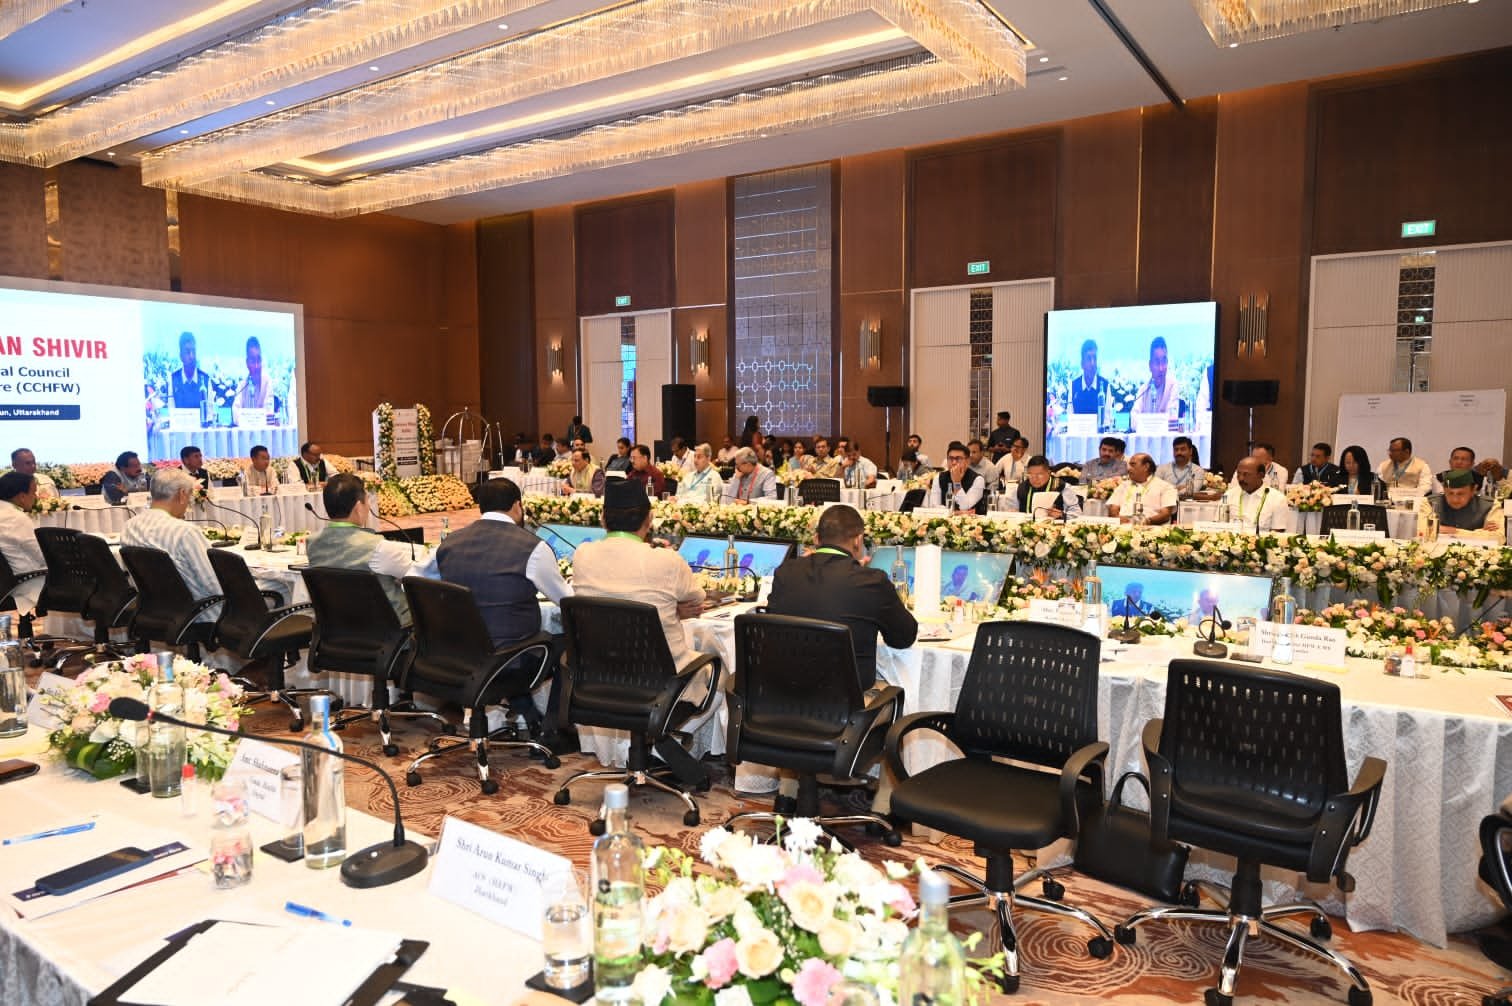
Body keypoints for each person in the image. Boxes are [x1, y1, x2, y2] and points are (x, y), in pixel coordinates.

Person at [765, 504, 916, 688]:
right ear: (858, 540)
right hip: (846, 697)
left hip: (782, 690)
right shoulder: (871, 581)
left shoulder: (785, 572)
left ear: (816, 539)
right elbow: (903, 638)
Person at [571, 479, 706, 673]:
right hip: (663, 678)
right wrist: (674, 610)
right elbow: (697, 600)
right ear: (649, 520)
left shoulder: (582, 554)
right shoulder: (667, 560)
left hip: (600, 673)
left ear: (602, 519)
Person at [437, 478, 572, 648]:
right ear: (517, 506)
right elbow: (566, 601)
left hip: (458, 650)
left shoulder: (449, 543)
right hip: (514, 654)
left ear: (481, 507)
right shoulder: (533, 547)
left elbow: (415, 579)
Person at [305, 473, 432, 624]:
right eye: (367, 501)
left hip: (339, 627)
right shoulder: (378, 548)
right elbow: (420, 575)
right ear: (359, 507)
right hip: (391, 629)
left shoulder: (312, 543)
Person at [119, 469, 222, 623]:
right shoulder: (185, 532)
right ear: (182, 494)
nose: (188, 504)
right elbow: (212, 584)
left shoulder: (129, 527)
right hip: (200, 615)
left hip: (153, 612)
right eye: (189, 496)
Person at [0, 472, 45, 611]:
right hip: (28, 582)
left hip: (6, 582)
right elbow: (41, 556)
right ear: (21, 496)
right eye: (33, 492)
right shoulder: (16, 518)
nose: (36, 497)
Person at [1423, 469, 1503, 540]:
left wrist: (1452, 531)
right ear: (1444, 489)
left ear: (1473, 490)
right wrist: (1480, 532)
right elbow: (1421, 531)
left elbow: (1498, 538)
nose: (1455, 499)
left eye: (1460, 494)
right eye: (1450, 493)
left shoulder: (1491, 505)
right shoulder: (1429, 503)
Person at [1107, 453, 1177, 525]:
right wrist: (1118, 518)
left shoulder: (1166, 487)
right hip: (1122, 527)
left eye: (1133, 464)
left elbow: (1165, 515)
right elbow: (1113, 509)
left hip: (1151, 528)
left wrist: (1147, 522)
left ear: (1146, 467)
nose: (1128, 468)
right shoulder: (1123, 485)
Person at [1222, 457, 1288, 533]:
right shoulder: (1228, 495)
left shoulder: (1277, 499)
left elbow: (1277, 532)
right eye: (1238, 474)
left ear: (1261, 475)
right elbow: (1219, 525)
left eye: (1246, 474)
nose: (1241, 479)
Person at [925, 442, 987, 515]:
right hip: (943, 520)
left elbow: (964, 506)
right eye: (951, 458)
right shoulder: (939, 477)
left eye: (958, 458)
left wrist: (957, 483)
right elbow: (934, 506)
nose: (954, 462)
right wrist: (954, 512)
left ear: (967, 461)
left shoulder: (978, 480)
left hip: (970, 521)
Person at [1016, 455, 1082, 519]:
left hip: (1054, 525)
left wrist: (1061, 514)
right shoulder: (1022, 487)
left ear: (1049, 472)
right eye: (1030, 474)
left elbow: (1077, 513)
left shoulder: (1062, 486)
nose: (1034, 479)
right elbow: (1013, 511)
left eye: (1039, 474)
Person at [1132, 337, 1178, 417]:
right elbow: (1133, 417)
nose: (1161, 368)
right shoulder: (1143, 390)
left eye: (1164, 362)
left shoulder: (1172, 386)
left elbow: (1171, 417)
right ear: (1150, 365)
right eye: (1157, 362)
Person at [168, 331, 210, 414]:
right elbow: (171, 414)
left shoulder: (206, 380)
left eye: (194, 351)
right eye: (187, 352)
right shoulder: (173, 380)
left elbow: (210, 415)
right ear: (181, 356)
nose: (192, 356)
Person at [1070, 339, 1110, 416]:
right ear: (1082, 364)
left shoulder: (1105, 385)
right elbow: (1070, 417)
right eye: (1089, 359)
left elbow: (1107, 419)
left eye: (1095, 358)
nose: (1092, 363)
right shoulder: (1073, 386)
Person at [233, 336, 272, 412]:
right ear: (247, 363)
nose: (257, 366)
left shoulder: (267, 383)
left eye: (259, 360)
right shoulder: (242, 386)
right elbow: (235, 411)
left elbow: (269, 412)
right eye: (253, 361)